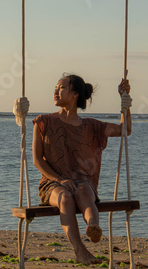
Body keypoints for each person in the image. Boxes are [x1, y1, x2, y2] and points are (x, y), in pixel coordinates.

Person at [32, 73, 131, 265]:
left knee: (84, 189)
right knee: (65, 197)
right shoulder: (43, 122)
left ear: (75, 93)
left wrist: (125, 101)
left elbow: (124, 129)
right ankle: (80, 251)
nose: (55, 92)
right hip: (52, 183)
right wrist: (60, 179)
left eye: (61, 87)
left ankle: (93, 227)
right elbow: (37, 160)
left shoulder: (92, 126)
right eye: (55, 88)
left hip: (82, 183)